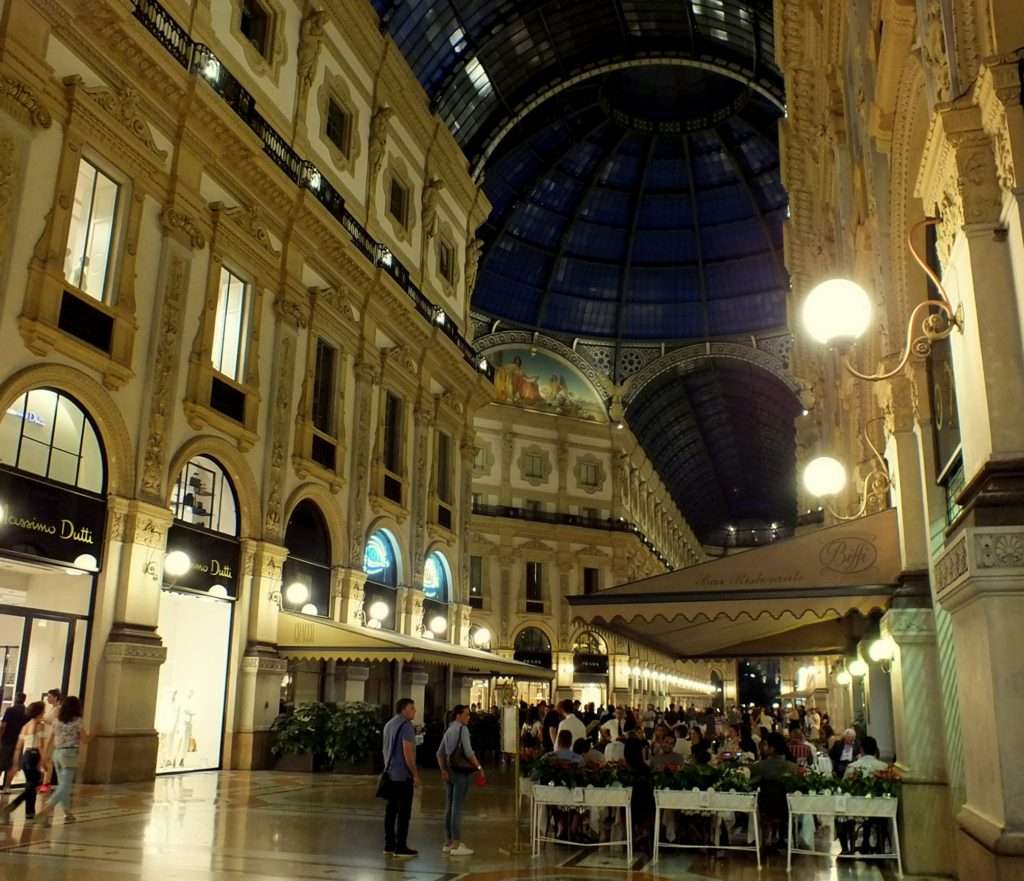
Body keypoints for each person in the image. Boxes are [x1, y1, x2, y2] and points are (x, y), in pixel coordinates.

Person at [437, 705, 484, 857]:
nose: (468, 717)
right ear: (458, 716)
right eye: (466, 714)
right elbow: (469, 752)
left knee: (449, 805)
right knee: (457, 807)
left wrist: (443, 770)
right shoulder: (463, 729)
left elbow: (440, 753)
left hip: (450, 771)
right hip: (460, 772)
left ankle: (449, 841)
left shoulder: (449, 730)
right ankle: (456, 843)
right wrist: (478, 766)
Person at [35, 696, 86, 825]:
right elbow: (85, 740)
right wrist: (96, 733)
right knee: (65, 785)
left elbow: (49, 739)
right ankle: (46, 809)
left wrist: (45, 755)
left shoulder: (57, 721)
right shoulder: (77, 721)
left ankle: (67, 813)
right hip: (69, 754)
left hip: (57, 753)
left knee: (63, 785)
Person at [380, 698, 420, 859]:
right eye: (412, 708)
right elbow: (408, 752)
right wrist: (415, 774)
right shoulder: (406, 726)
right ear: (403, 709)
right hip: (402, 776)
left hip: (389, 773)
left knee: (390, 811)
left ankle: (389, 845)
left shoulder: (389, 724)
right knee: (404, 813)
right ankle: (400, 847)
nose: (414, 711)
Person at [0, 701, 47, 822]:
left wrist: (16, 763)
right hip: (34, 755)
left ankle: (30, 813)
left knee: (30, 785)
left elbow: (18, 747)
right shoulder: (39, 725)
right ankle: (12, 807)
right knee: (33, 785)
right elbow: (41, 746)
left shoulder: (25, 726)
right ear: (39, 712)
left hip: (25, 756)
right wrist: (42, 761)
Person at [0, 693, 27, 792]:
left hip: (7, 740)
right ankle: (7, 786)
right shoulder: (26, 712)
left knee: (1, 763)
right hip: (19, 742)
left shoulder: (10, 710)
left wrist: (0, 737)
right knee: (12, 765)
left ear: (16, 699)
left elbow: (3, 725)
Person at [39, 688, 61, 794]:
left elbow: (54, 723)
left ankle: (46, 783)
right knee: (45, 760)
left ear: (55, 697)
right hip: (46, 736)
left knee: (48, 760)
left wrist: (43, 719)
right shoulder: (51, 709)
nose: (48, 698)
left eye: (50, 696)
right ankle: (45, 781)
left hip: (51, 737)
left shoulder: (58, 709)